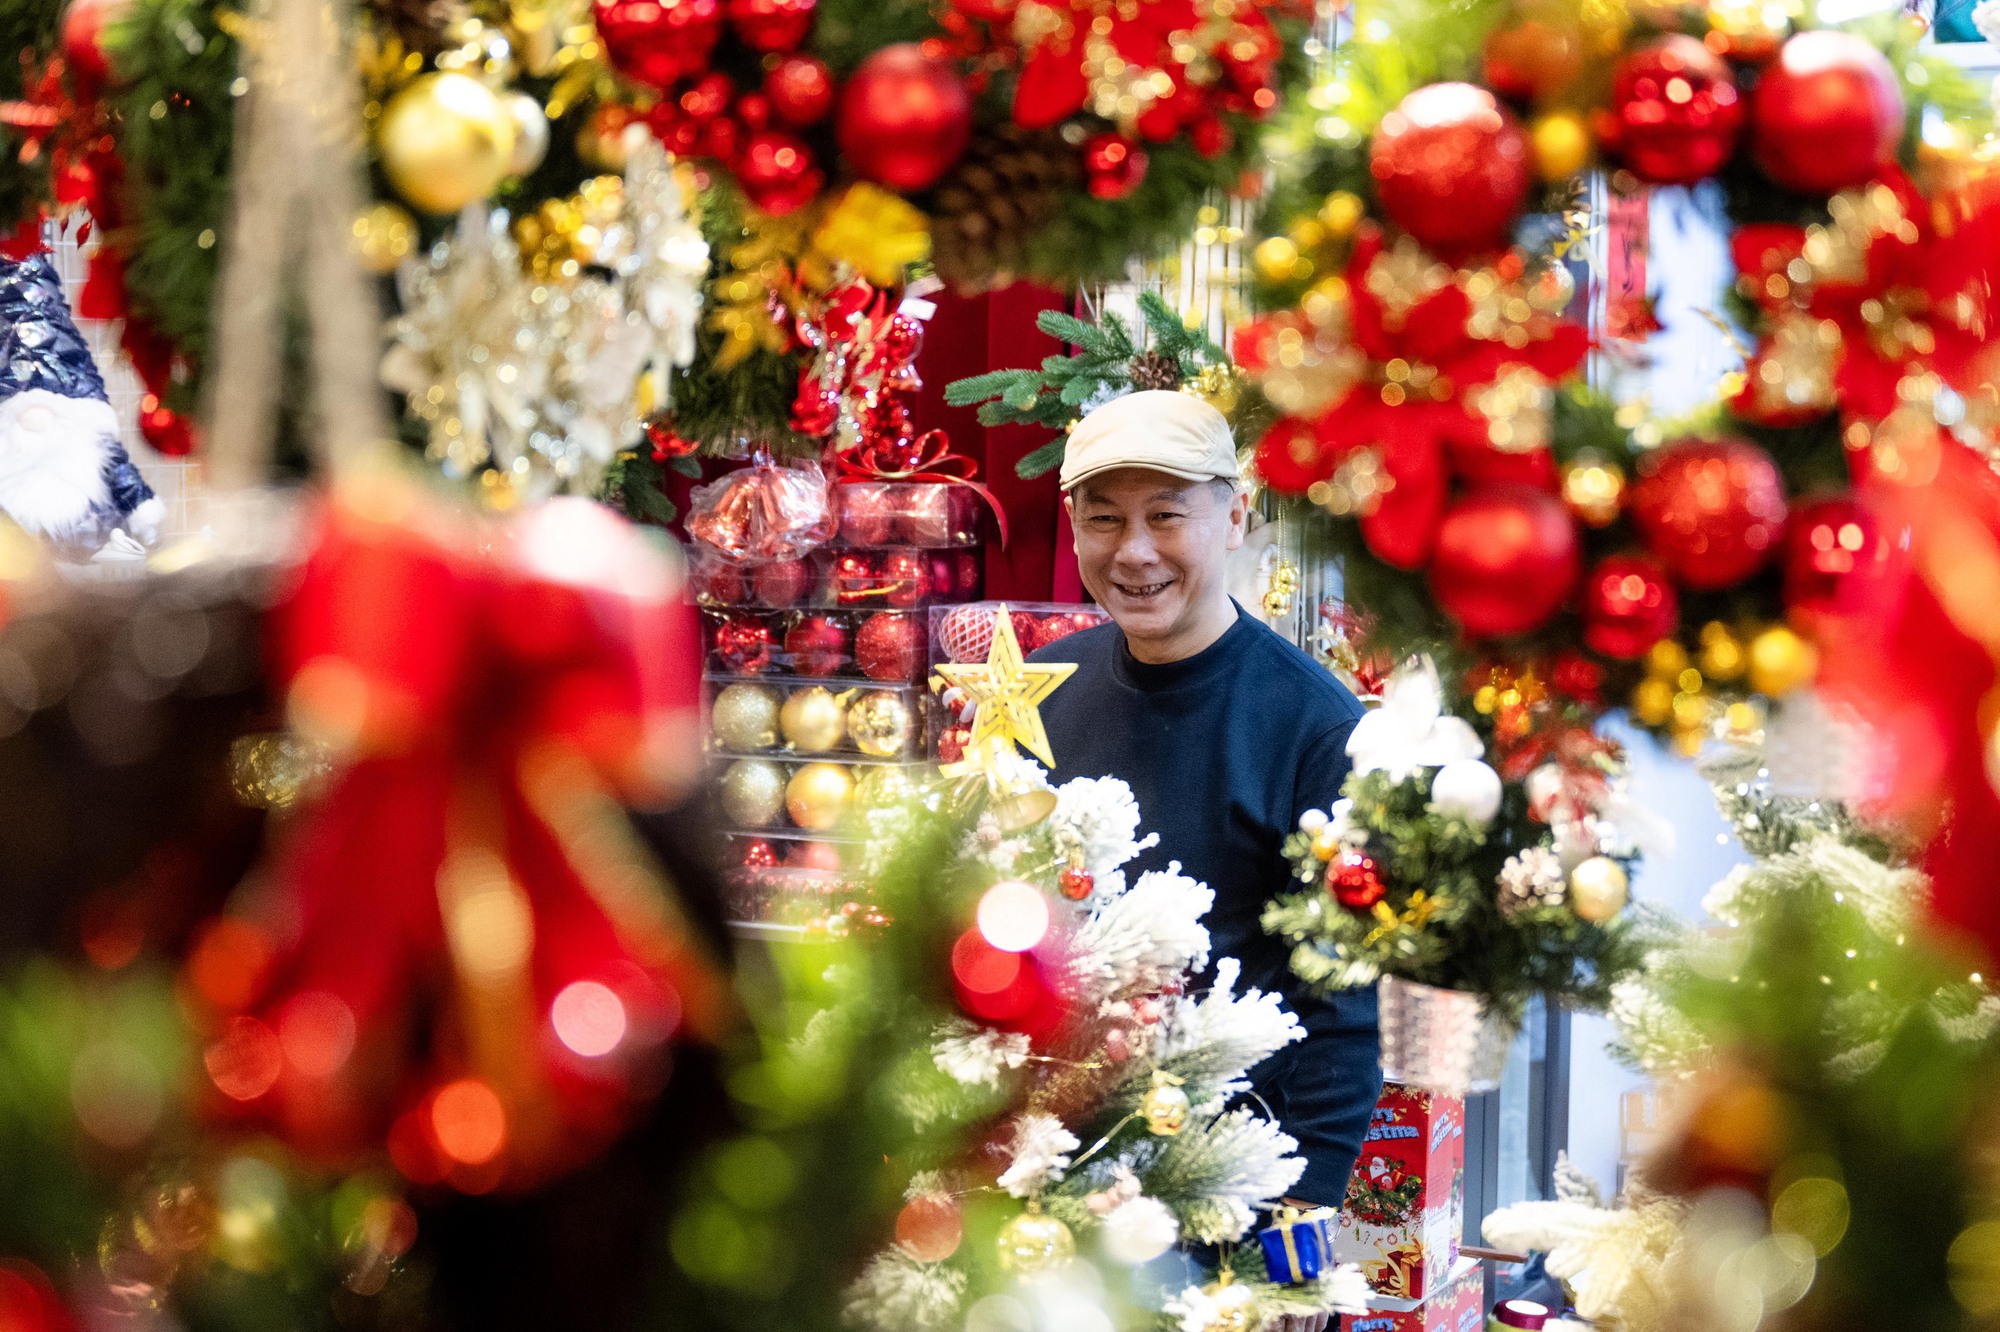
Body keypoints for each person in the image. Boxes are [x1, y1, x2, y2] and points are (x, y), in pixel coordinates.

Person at [1026, 391, 1381, 1282]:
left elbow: (1342, 1007)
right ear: (1072, 529)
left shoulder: (1317, 728)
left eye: (1165, 516)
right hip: (1042, 1175)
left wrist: (1298, 1233)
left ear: (1235, 517)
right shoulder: (1037, 692)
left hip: (1219, 1195)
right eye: (1104, 519)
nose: (1134, 551)